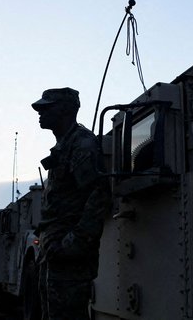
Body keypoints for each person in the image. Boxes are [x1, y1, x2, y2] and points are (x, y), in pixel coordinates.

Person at [32, 87, 110, 320]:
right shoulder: (65, 146)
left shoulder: (82, 145)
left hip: (69, 257)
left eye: (46, 108)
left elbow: (99, 196)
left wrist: (72, 244)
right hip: (54, 253)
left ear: (64, 110)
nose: (40, 113)